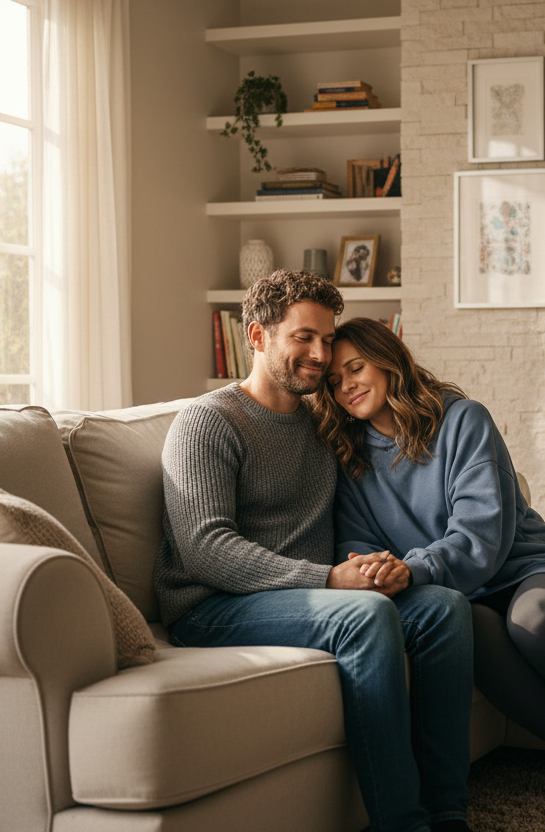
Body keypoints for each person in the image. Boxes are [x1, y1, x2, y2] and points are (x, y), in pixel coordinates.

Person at [311, 317, 545, 810]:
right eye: (334, 382)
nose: (346, 386)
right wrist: (372, 569)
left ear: (387, 359)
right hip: (459, 594)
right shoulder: (350, 458)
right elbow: (355, 543)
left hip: (526, 567)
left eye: (355, 368)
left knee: (537, 620)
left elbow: (481, 536)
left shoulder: (463, 419)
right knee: (471, 636)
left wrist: (415, 568)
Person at [154, 271, 476, 832]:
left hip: (311, 593)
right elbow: (206, 549)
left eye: (327, 340)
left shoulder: (323, 420)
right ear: (257, 336)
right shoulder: (207, 423)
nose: (321, 354)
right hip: (211, 606)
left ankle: (447, 813)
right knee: (367, 615)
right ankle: (402, 825)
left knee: (444, 607)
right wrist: (330, 580)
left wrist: (377, 566)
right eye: (304, 337)